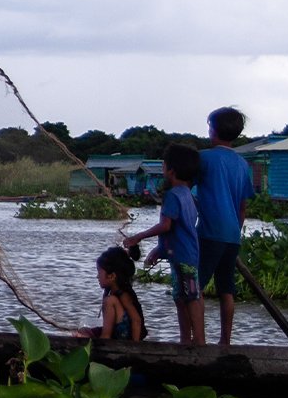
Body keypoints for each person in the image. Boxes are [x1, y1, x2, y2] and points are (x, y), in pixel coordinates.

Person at [123, 144, 204, 346]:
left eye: (164, 165)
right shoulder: (188, 195)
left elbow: (166, 225)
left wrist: (138, 237)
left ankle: (197, 341)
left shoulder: (173, 195)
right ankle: (187, 340)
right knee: (182, 297)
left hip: (183, 256)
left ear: (171, 170)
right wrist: (159, 250)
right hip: (185, 254)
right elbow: (179, 228)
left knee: (189, 298)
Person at [196, 107, 255, 344]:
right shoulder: (242, 164)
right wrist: (235, 232)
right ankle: (225, 341)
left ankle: (196, 340)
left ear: (213, 130)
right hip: (231, 235)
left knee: (195, 289)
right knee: (226, 290)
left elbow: (186, 190)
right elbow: (242, 208)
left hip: (209, 232)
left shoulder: (204, 158)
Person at [82, 246, 147, 340]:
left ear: (112, 276)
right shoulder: (114, 292)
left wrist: (134, 347)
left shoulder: (120, 296)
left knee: (109, 301)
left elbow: (136, 320)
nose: (97, 276)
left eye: (99, 272)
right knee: (84, 331)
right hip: (119, 333)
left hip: (125, 339)